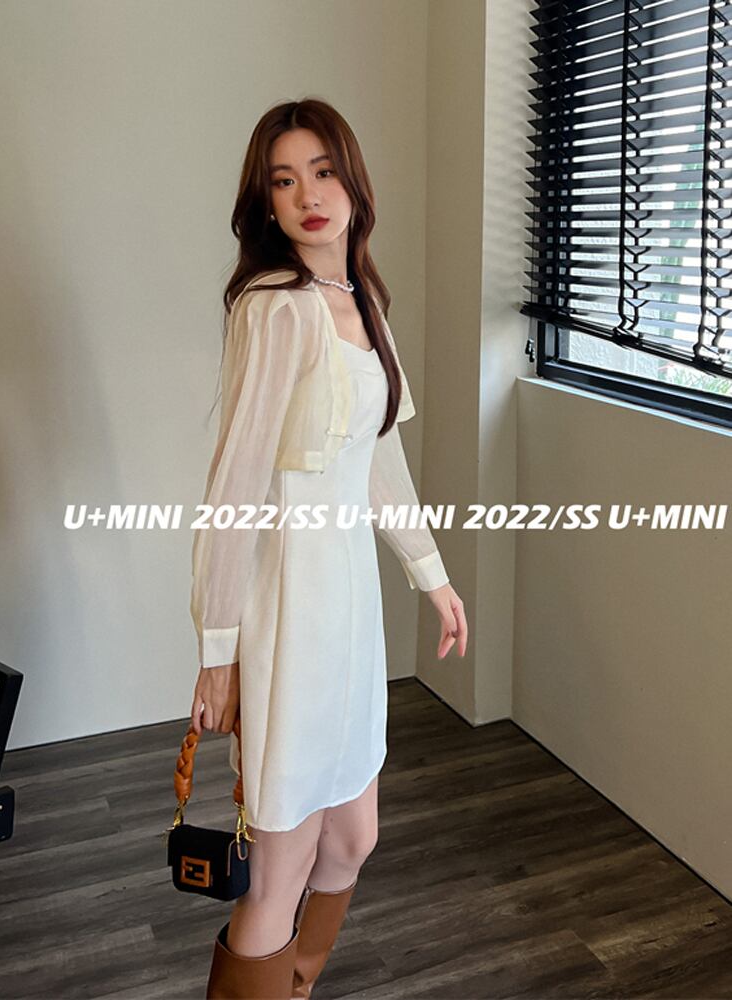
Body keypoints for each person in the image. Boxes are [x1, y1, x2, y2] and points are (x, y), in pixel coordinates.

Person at [188, 97, 468, 1000]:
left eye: (322, 171)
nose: (309, 195)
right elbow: (234, 485)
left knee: (353, 837)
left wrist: (432, 575)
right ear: (266, 205)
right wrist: (218, 651)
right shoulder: (276, 309)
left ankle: (296, 983)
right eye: (284, 181)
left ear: (352, 183)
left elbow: (379, 459)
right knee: (282, 866)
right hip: (289, 605)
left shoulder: (365, 303)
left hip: (351, 607)